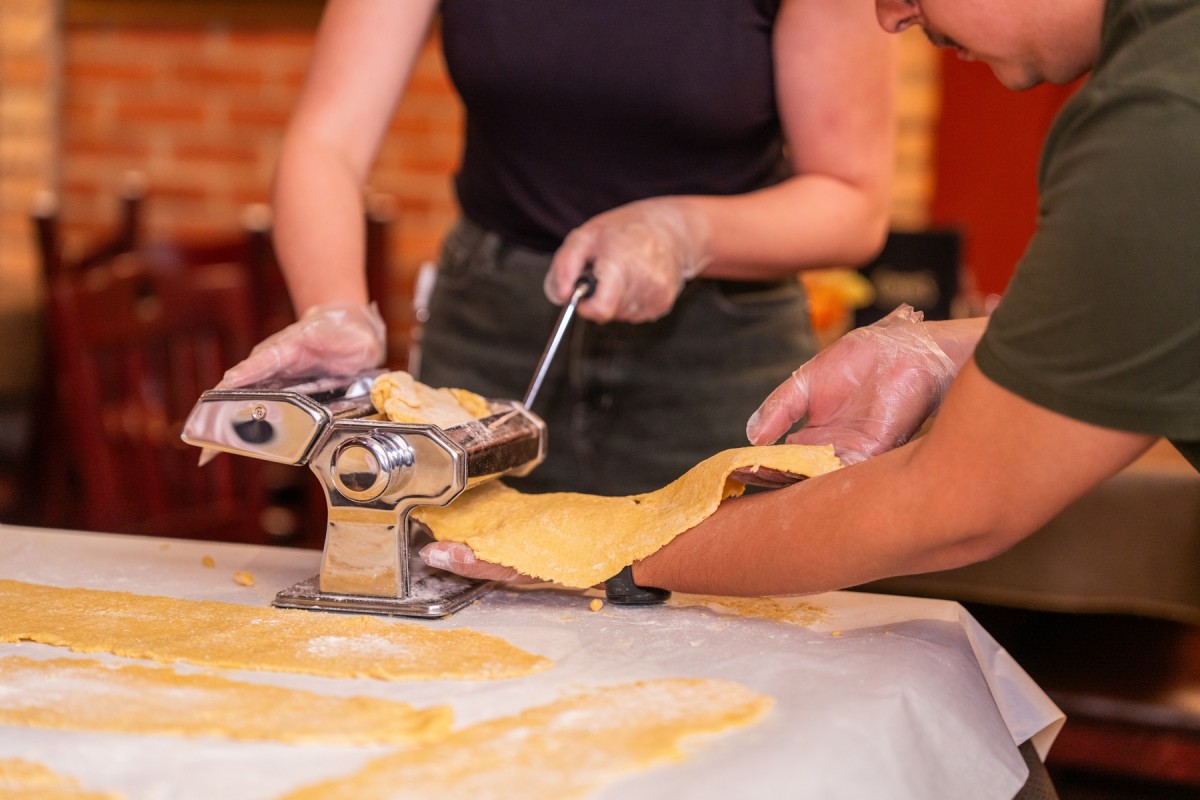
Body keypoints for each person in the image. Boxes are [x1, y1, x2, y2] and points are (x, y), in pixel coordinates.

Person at [421, 0, 1200, 593]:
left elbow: (955, 507)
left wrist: (585, 546)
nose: (890, 13)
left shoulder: (1161, 121)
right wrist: (945, 348)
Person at [215, 0, 896, 495]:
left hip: (720, 355)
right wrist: (334, 306)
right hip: (488, 334)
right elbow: (325, 144)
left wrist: (684, 232)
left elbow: (852, 200)